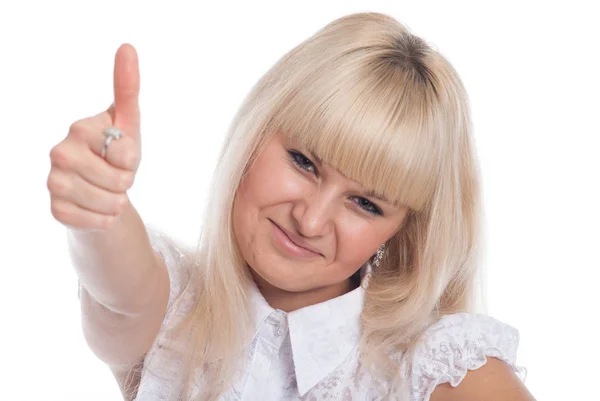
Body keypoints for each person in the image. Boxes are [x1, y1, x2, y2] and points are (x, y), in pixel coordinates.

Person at [48, 12, 535, 401]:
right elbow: (119, 287)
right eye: (304, 162)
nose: (311, 219)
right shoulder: (175, 309)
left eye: (365, 203)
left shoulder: (431, 366)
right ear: (257, 130)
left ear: (403, 230)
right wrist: (99, 211)